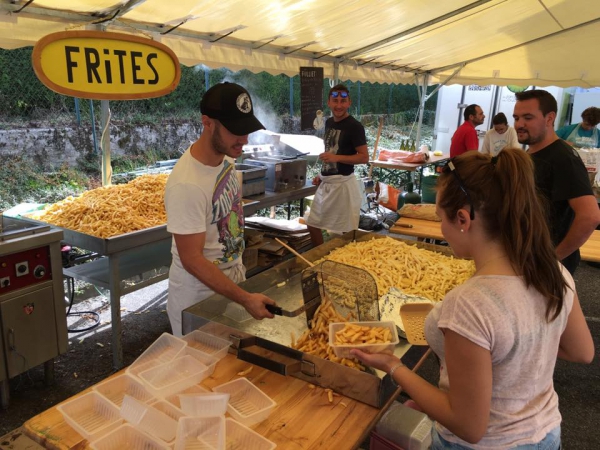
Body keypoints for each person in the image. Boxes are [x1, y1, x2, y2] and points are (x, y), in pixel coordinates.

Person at [351, 149, 594, 449]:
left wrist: (392, 365)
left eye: (441, 218)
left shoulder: (469, 304)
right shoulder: (553, 271)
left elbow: (469, 426)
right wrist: (519, 351)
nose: (441, 227)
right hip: (546, 435)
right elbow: (582, 351)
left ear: (463, 218)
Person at [164, 82, 275, 336]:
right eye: (236, 131)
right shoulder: (186, 184)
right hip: (198, 296)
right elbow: (192, 260)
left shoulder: (225, 159)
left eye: (246, 129)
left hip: (230, 280)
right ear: (208, 123)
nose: (244, 139)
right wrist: (245, 299)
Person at [513, 90, 600, 274]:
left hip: (547, 267)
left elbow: (590, 216)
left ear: (549, 118)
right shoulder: (530, 154)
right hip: (526, 258)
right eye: (516, 117)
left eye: (528, 117)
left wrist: (553, 258)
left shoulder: (563, 158)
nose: (519, 124)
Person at [306, 84, 369, 246]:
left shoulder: (355, 127)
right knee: (313, 224)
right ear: (328, 103)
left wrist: (336, 158)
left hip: (343, 185)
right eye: (335, 101)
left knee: (345, 233)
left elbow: (363, 157)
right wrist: (321, 175)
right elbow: (330, 152)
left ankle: (344, 264)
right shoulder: (328, 123)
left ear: (349, 103)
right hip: (328, 183)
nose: (339, 105)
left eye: (343, 101)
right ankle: (320, 259)